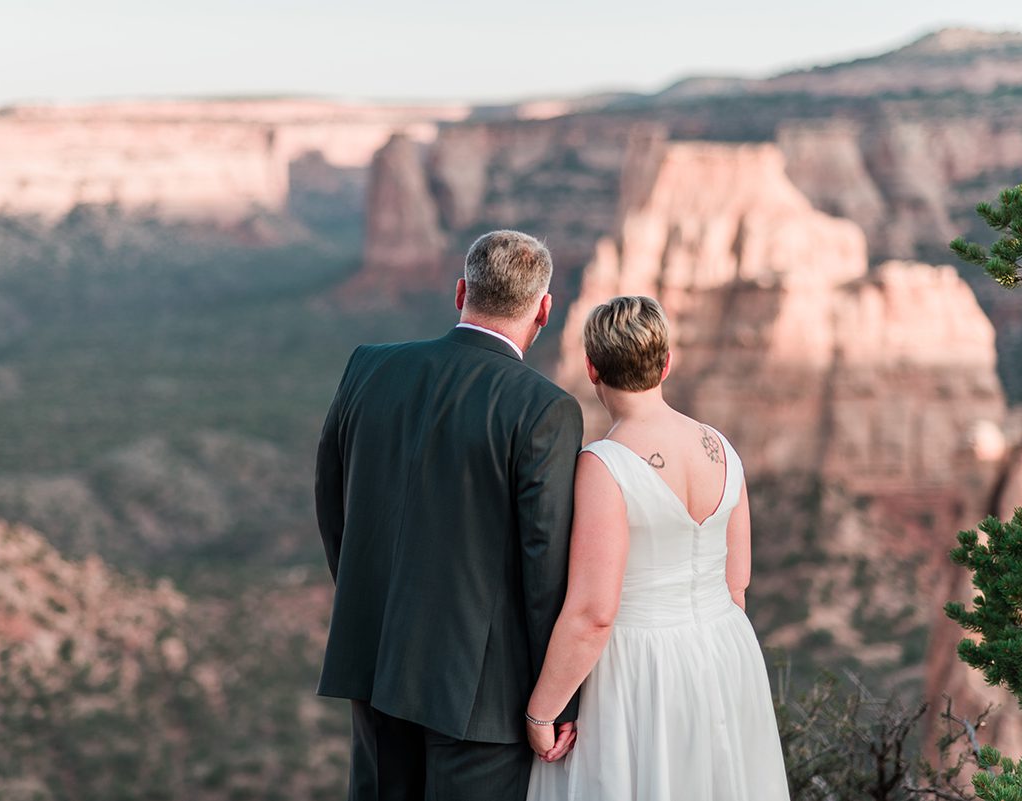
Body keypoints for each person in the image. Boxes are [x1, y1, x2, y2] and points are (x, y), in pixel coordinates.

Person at [315, 230, 584, 800]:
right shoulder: (544, 409)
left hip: (376, 659)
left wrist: (370, 600)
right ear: (544, 309)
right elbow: (545, 569)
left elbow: (331, 502)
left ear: (461, 291)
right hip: (481, 693)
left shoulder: (368, 367)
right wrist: (555, 699)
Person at [525, 295, 789, 801]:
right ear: (666, 363)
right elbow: (738, 581)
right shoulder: (720, 447)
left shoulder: (603, 464)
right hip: (724, 651)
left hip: (639, 669)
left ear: (591, 368)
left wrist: (543, 711)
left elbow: (593, 614)